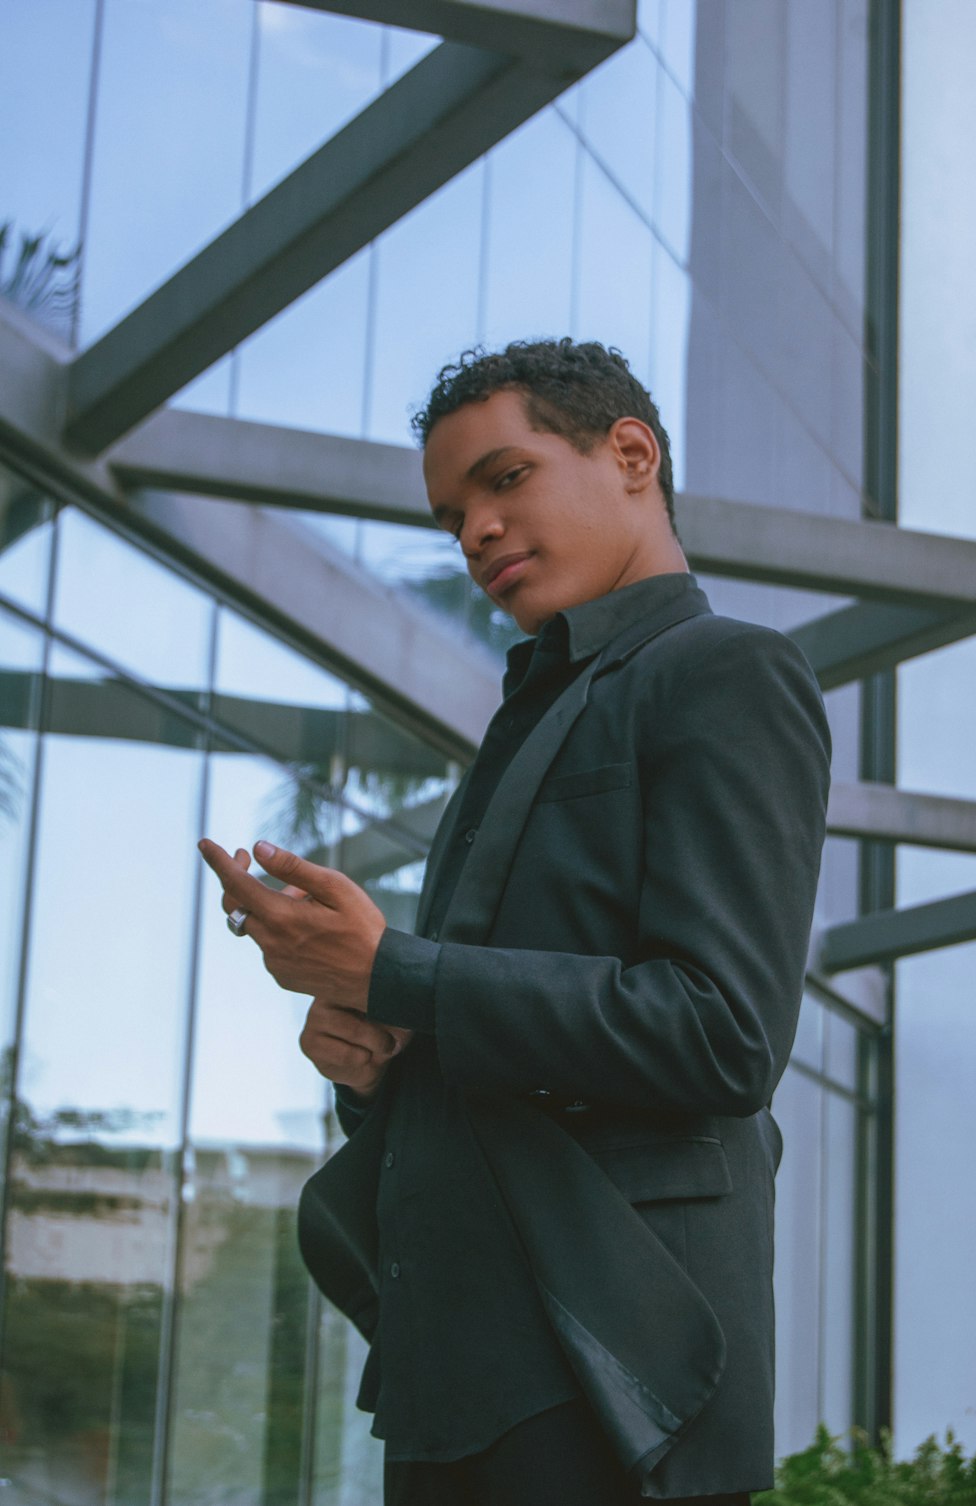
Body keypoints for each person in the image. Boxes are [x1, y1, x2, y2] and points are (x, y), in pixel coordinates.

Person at [199, 338, 831, 1505]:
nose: (475, 531)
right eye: (450, 517)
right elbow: (486, 1031)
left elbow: (723, 1034)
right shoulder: (524, 720)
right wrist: (376, 1060)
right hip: (457, 1347)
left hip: (619, 1358)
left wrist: (405, 975)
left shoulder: (724, 672)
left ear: (630, 454)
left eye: (504, 479)